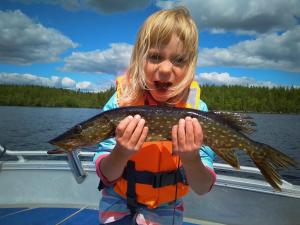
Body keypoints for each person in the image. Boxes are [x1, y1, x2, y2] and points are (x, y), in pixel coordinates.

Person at [93, 7, 216, 225]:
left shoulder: (198, 112)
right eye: (155, 56)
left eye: (179, 60)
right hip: (118, 201)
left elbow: (202, 187)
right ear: (139, 59)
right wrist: (121, 152)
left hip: (167, 207)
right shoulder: (119, 104)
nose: (166, 69)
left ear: (191, 66)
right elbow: (106, 175)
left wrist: (191, 159)